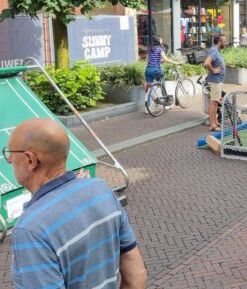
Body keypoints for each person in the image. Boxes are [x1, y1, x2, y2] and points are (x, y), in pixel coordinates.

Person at [8, 119, 146, 289]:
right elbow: (136, 274)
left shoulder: (30, 230)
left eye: (11, 154)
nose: (9, 160)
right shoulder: (101, 190)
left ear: (30, 160)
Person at [204, 34, 226, 131]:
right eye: (224, 41)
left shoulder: (217, 51)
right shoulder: (214, 51)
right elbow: (206, 63)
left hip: (218, 81)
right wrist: (213, 70)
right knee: (213, 102)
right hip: (215, 81)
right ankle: (212, 124)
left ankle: (215, 121)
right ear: (219, 42)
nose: (225, 43)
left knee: (216, 101)